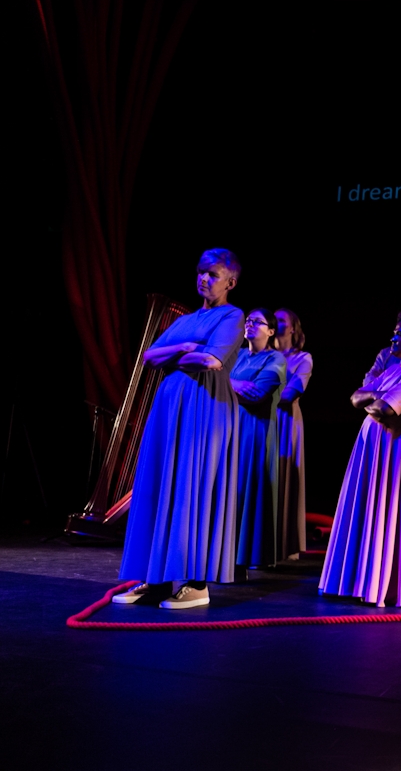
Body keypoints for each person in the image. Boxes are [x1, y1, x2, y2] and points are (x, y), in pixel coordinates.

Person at [114, 249, 246, 610]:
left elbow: (212, 360)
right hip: (169, 410)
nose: (204, 279)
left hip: (205, 410)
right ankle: (156, 580)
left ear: (230, 282)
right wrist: (188, 345)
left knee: (195, 487)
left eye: (213, 274)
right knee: (159, 485)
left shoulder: (233, 315)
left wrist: (179, 353)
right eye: (201, 272)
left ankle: (195, 583)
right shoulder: (185, 321)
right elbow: (148, 357)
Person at [319, 312, 401, 608]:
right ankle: (359, 580)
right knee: (368, 511)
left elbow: (383, 409)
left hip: (398, 450)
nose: (393, 338)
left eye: (399, 334)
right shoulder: (398, 366)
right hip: (376, 447)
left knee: (390, 514)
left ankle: (384, 586)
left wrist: (373, 395)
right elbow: (355, 398)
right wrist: (375, 394)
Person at [232, 308, 288, 570]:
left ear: (271, 331)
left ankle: (248, 556)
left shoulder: (275, 359)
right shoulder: (238, 355)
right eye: (249, 321)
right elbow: (213, 381)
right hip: (230, 428)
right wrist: (236, 385)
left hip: (255, 432)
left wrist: (227, 385)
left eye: (258, 321)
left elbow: (258, 395)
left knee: (249, 488)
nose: (251, 324)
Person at [274, 308, 312, 560]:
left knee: (284, 479)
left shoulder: (303, 358)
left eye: (280, 320)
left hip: (285, 421)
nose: (274, 324)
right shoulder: (260, 355)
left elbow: (290, 394)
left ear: (292, 328)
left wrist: (256, 391)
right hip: (261, 419)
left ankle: (285, 545)